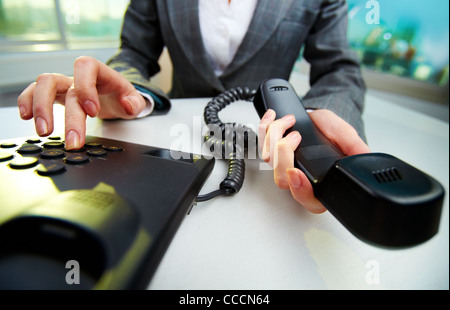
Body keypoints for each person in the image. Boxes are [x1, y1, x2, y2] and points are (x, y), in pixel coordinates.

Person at [17, 0, 370, 213]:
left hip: (274, 147)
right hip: (176, 141)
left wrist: (318, 129)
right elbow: (134, 53)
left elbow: (339, 68)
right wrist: (130, 94)